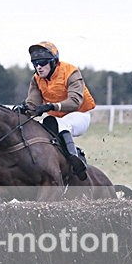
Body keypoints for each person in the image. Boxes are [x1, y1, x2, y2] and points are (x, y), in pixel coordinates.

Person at [13, 41, 96, 180]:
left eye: (42, 62)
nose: (38, 67)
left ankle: (75, 160)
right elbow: (33, 103)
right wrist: (24, 109)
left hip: (79, 115)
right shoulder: (36, 79)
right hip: (55, 119)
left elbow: (75, 101)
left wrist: (52, 106)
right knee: (39, 130)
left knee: (62, 125)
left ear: (53, 61)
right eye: (35, 63)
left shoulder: (71, 72)